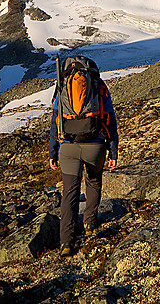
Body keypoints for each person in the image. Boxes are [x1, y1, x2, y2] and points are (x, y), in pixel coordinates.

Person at [49, 56, 118, 256]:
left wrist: (53, 151)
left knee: (70, 192)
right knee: (94, 181)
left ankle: (66, 242)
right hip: (95, 146)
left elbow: (55, 122)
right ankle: (89, 225)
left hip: (68, 146)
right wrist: (113, 151)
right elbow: (110, 119)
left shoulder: (62, 86)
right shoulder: (98, 86)